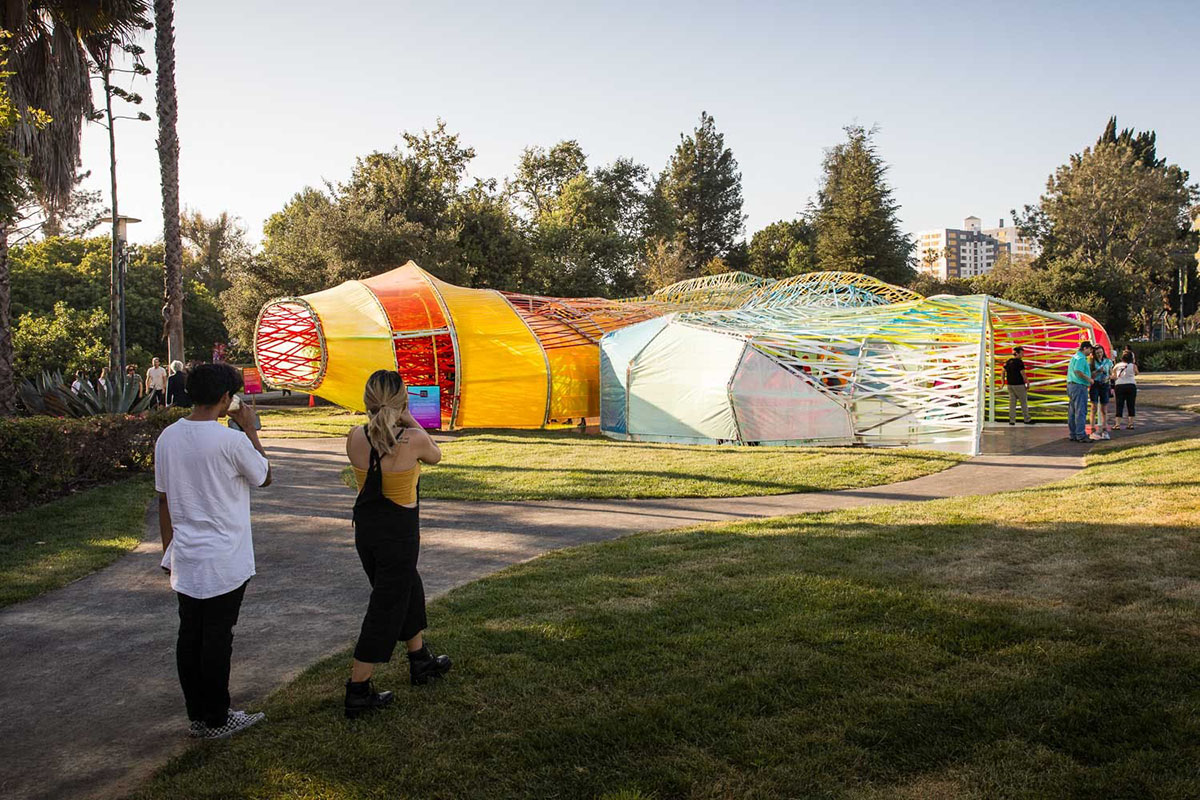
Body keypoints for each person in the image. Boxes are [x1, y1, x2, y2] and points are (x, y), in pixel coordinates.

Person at [155, 363, 272, 739]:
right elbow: (265, 476)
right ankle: (220, 717)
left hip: (186, 555)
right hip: (225, 557)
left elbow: (163, 500)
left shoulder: (168, 437)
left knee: (190, 635)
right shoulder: (232, 441)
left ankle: (199, 716)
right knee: (218, 637)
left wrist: (166, 550)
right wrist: (249, 426)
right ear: (226, 398)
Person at [343, 369, 451, 719]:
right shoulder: (413, 439)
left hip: (367, 531)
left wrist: (396, 417)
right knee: (385, 607)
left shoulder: (354, 437)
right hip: (398, 534)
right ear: (402, 401)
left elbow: (377, 447)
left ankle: (420, 660)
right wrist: (410, 419)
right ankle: (358, 691)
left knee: (407, 589)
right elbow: (436, 455)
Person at [1066, 341, 1093, 443]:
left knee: (1072, 411)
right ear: (1085, 348)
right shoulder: (1081, 358)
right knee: (1081, 411)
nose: (1090, 352)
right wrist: (1089, 380)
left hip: (1071, 385)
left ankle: (1073, 433)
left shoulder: (1075, 357)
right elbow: (1078, 371)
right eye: (1090, 349)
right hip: (1079, 386)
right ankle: (1081, 434)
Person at [1089, 345, 1113, 440]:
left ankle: (1104, 429)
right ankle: (1092, 429)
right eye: (1097, 353)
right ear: (1094, 354)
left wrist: (1109, 377)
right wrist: (1098, 371)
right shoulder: (1091, 362)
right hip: (1095, 384)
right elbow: (1090, 376)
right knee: (1093, 407)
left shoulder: (1108, 362)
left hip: (1104, 384)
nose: (1099, 354)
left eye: (1101, 352)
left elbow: (1112, 374)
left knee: (1104, 409)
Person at [1003, 346, 1031, 425]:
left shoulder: (1009, 361)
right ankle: (1027, 419)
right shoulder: (1019, 362)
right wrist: (1027, 382)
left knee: (1012, 403)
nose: (1023, 355)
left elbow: (1003, 371)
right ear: (1017, 353)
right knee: (1023, 402)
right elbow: (1023, 374)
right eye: (1022, 353)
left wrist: (1003, 382)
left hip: (1010, 385)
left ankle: (1012, 420)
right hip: (1019, 385)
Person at [1112, 351, 1139, 430]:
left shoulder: (1117, 365)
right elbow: (1137, 373)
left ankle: (1117, 424)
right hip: (1131, 385)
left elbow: (1114, 375)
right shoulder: (1133, 366)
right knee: (1131, 404)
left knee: (1119, 405)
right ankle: (1130, 424)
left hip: (1119, 385)